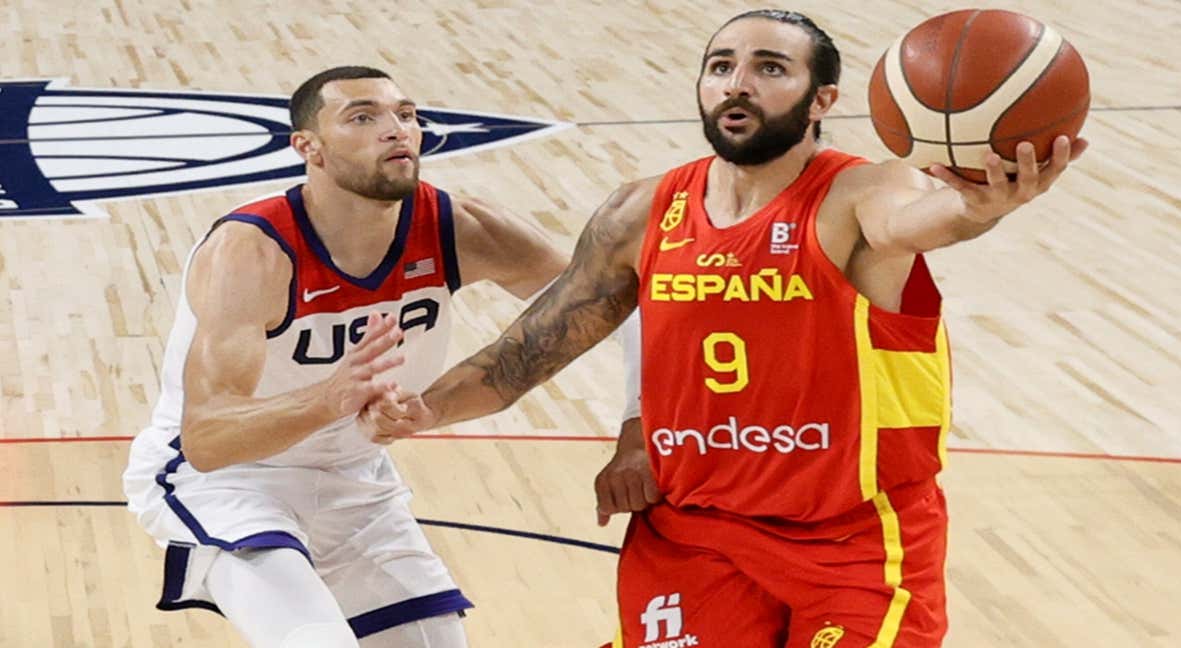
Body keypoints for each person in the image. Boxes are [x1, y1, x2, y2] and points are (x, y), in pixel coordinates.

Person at [372, 9, 1088, 647]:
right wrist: (423, 409)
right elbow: (526, 354)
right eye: (721, 66)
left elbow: (922, 222)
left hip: (852, 545)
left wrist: (978, 208)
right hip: (693, 534)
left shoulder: (861, 193)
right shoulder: (641, 212)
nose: (736, 84)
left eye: (769, 68)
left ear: (822, 100)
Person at [121, 66, 567, 648]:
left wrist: (432, 407)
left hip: (353, 478)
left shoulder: (457, 225)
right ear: (309, 148)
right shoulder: (250, 250)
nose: (396, 130)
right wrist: (329, 398)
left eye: (405, 115)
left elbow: (597, 306)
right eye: (363, 117)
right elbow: (207, 439)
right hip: (226, 482)